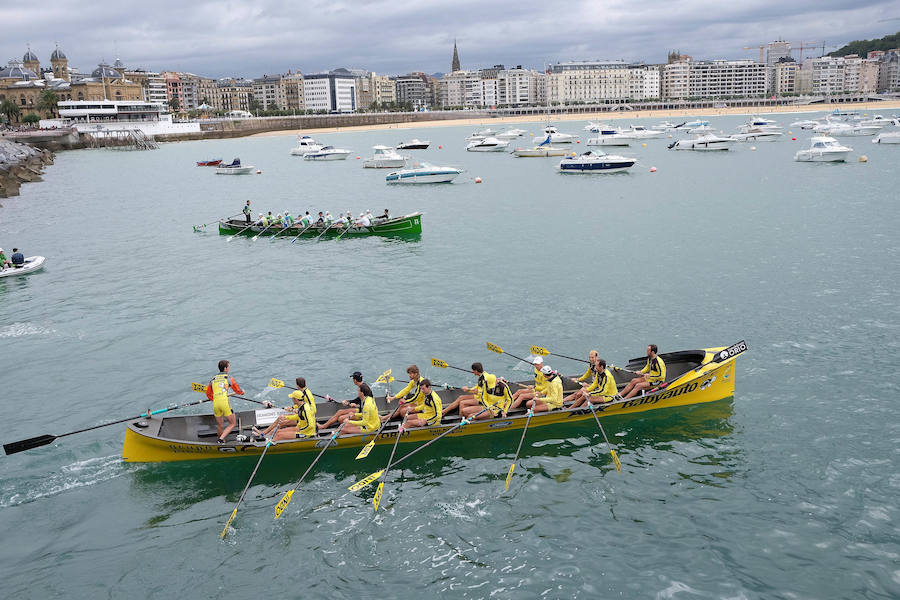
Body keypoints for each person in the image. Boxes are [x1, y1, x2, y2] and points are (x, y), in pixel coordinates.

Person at [205, 360, 244, 444]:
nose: (229, 368)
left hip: (215, 403)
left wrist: (215, 399)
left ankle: (222, 441)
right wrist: (241, 392)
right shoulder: (229, 378)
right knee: (232, 423)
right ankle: (220, 440)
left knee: (220, 425)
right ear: (225, 368)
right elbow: (237, 390)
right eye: (229, 367)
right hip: (224, 403)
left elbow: (208, 394)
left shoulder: (213, 379)